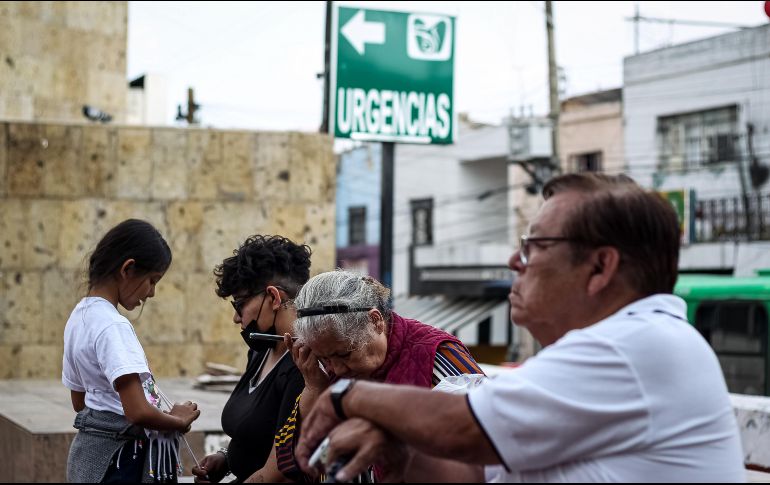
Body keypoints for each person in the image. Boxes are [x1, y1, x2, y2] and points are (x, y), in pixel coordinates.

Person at [295, 173, 746, 483]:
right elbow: (470, 471)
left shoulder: (639, 344)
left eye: (535, 246)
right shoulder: (586, 357)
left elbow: (462, 429)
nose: (515, 262)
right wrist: (401, 445)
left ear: (600, 267)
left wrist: (348, 396)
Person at [276, 270, 485, 481]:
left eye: (344, 354)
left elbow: (483, 444)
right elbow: (294, 465)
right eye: (326, 358)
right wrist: (314, 388)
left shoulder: (435, 355)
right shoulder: (320, 371)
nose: (337, 369)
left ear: (375, 321)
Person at [62, 219, 201, 483]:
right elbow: (137, 412)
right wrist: (177, 419)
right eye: (152, 280)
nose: (152, 293)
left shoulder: (78, 318)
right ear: (128, 269)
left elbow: (79, 402)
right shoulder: (113, 326)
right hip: (121, 460)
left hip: (89, 455)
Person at [191, 235, 312, 483]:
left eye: (240, 305)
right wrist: (226, 459)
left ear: (274, 298)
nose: (237, 318)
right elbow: (258, 431)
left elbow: (279, 472)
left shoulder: (304, 366)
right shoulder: (260, 351)